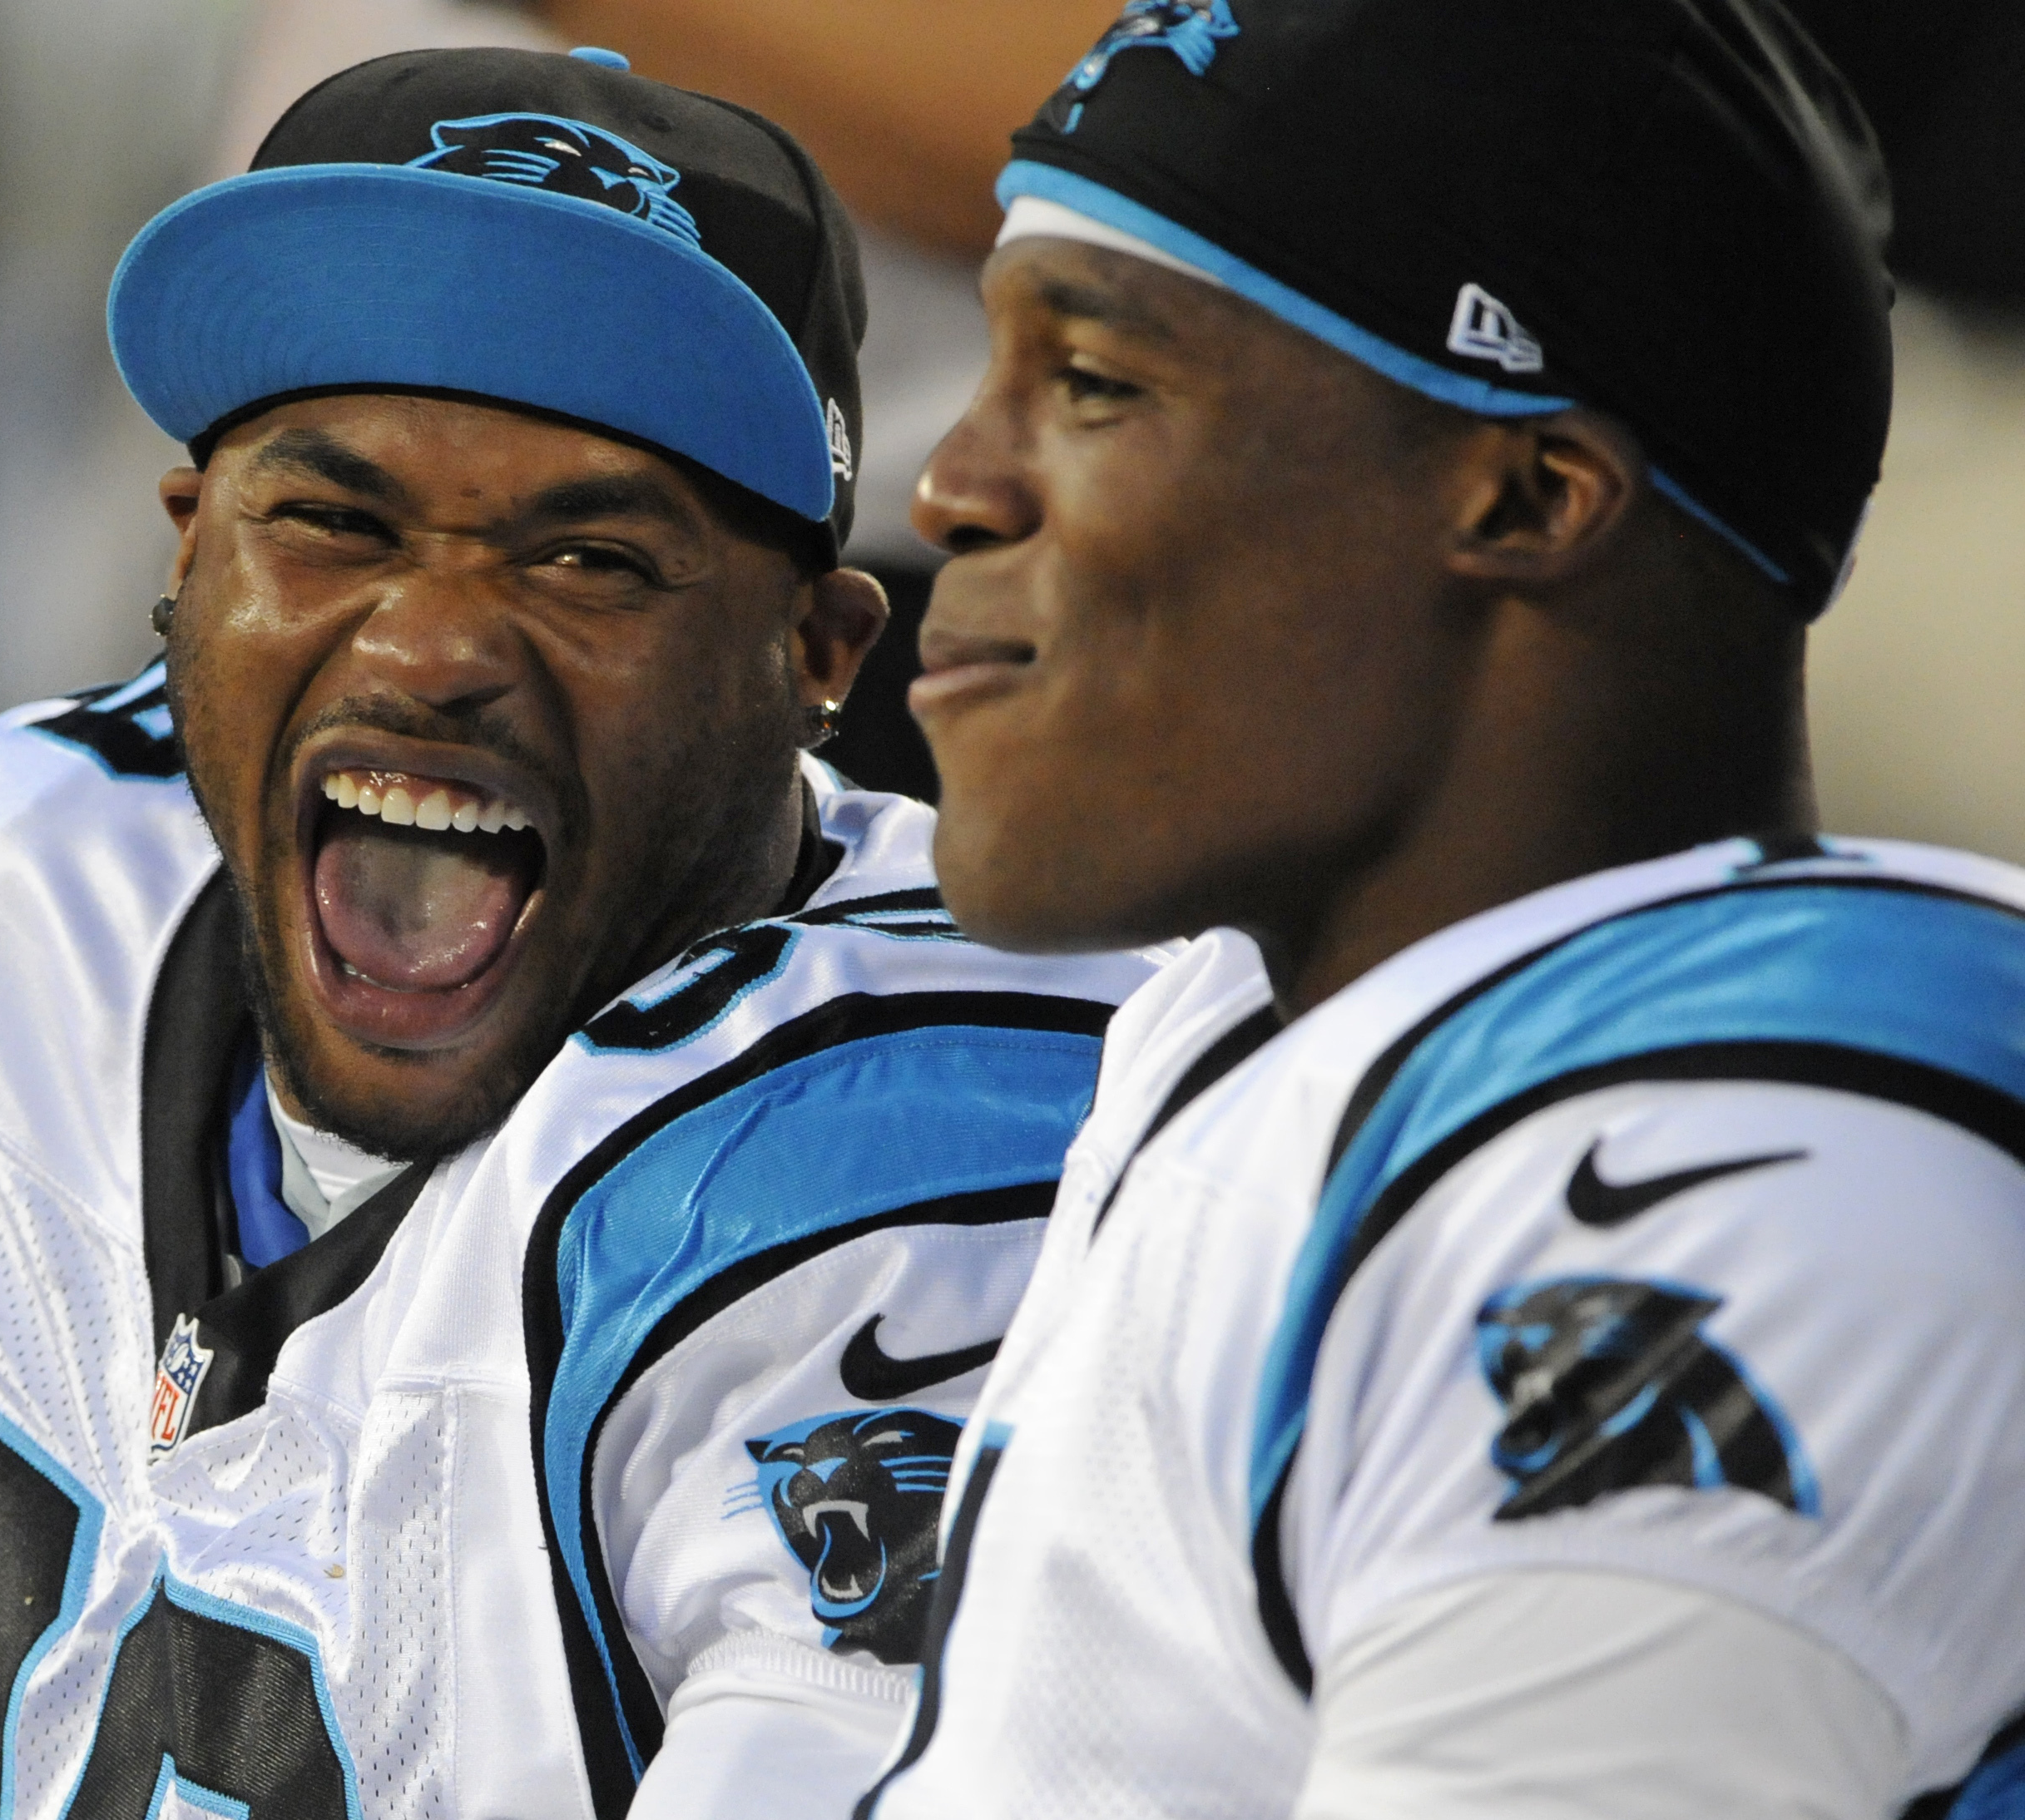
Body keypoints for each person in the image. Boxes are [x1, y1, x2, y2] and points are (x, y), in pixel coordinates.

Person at [0, 47, 1163, 1820]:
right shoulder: (16, 911)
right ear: (189, 556)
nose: (428, 646)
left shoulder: (923, 1152)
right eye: (332, 522)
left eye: (588, 560)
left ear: (819, 655)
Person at [859, 2, 2025, 1817]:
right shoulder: (1267, 1016)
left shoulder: (1737, 1180)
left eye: (1093, 380)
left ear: (1529, 494)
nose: (951, 484)